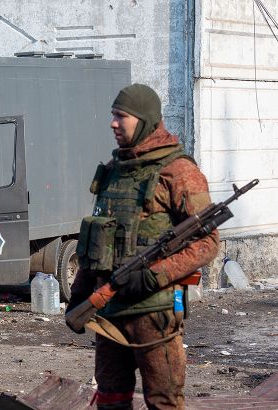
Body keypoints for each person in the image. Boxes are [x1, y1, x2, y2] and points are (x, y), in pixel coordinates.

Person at [66, 84, 219, 409]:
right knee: (110, 398)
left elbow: (207, 243)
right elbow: (95, 240)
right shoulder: (112, 172)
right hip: (107, 310)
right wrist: (80, 294)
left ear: (146, 119)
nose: (113, 123)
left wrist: (154, 275)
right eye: (113, 116)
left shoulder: (178, 173)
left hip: (155, 312)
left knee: (163, 401)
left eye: (122, 116)